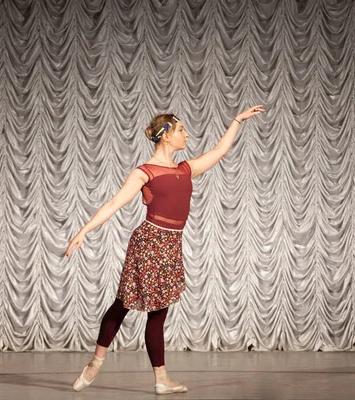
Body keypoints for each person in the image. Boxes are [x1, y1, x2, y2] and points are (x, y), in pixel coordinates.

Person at [65, 105, 265, 395]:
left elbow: (220, 151)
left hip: (171, 244)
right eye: (181, 130)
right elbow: (113, 203)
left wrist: (237, 120)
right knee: (124, 304)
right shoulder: (144, 172)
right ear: (166, 136)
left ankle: (161, 379)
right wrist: (84, 230)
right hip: (149, 242)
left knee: (159, 311)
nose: (187, 135)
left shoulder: (185, 169)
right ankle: (96, 362)